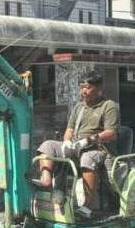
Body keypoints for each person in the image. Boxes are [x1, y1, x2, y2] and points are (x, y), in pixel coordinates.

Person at [36, 71, 119, 216]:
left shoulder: (108, 106)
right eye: (81, 87)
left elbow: (111, 133)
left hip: (98, 149)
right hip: (75, 147)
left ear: (99, 88)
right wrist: (67, 142)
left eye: (87, 87)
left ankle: (88, 206)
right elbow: (69, 129)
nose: (83, 91)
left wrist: (88, 140)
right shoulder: (79, 107)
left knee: (88, 158)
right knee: (48, 145)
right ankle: (46, 180)